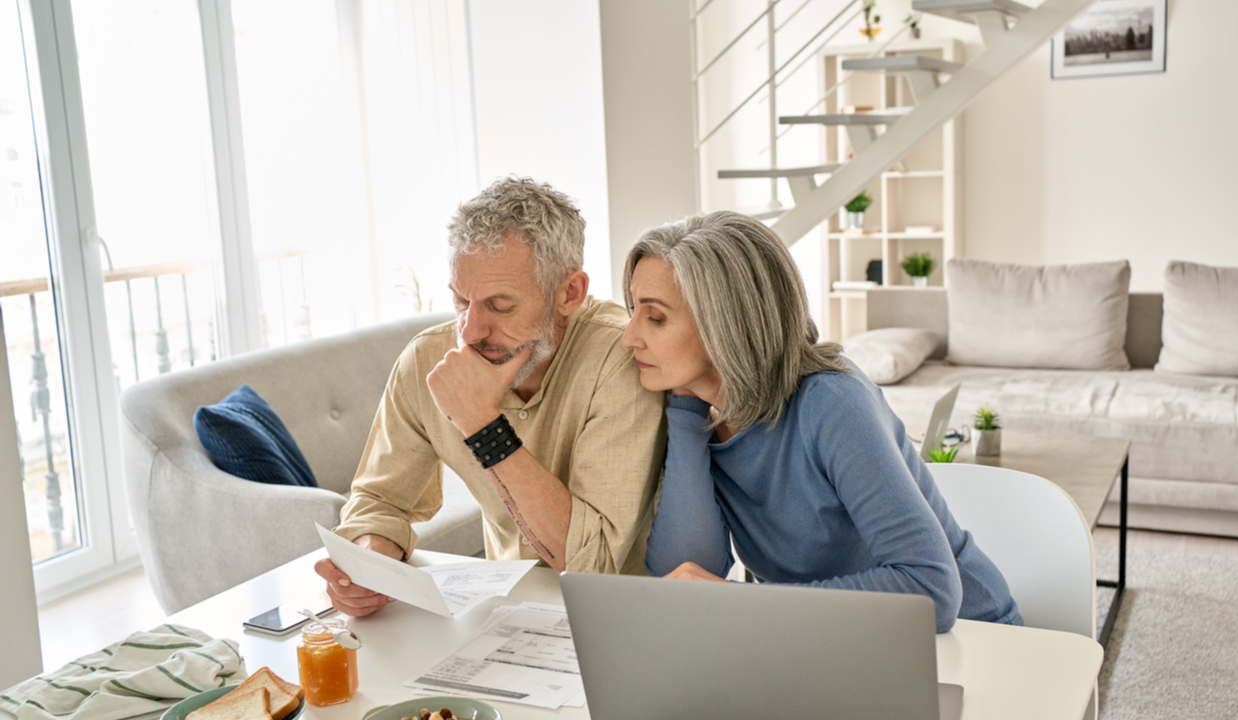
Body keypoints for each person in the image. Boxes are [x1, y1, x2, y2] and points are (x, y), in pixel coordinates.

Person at [625, 211, 1021, 633]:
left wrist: (747, 601)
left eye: (655, 317)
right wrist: (686, 416)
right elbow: (684, 577)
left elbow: (931, 589)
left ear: (725, 323)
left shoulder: (831, 403)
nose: (628, 336)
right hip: (829, 641)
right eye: (632, 311)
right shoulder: (703, 413)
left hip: (969, 640)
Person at [316, 177, 666, 616]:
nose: (470, 331)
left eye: (500, 306)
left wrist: (484, 427)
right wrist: (371, 561)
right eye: (462, 301)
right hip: (504, 615)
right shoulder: (428, 358)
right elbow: (380, 501)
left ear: (569, 293)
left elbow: (589, 564)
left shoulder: (622, 358)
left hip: (622, 617)